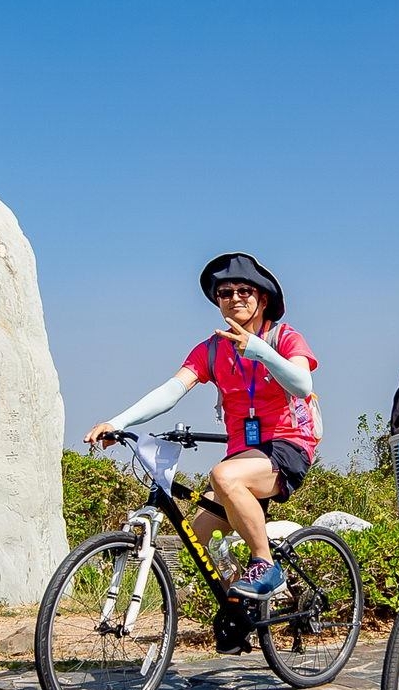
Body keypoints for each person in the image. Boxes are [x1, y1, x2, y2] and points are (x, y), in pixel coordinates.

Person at [85, 253, 321, 605]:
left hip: (288, 445)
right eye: (225, 292)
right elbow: (172, 390)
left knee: (222, 476)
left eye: (245, 290)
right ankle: (238, 608)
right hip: (245, 454)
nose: (235, 298)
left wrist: (259, 351)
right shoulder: (212, 350)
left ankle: (266, 566)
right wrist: (117, 422)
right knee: (197, 533)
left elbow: (302, 383)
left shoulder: (284, 338)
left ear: (263, 299)